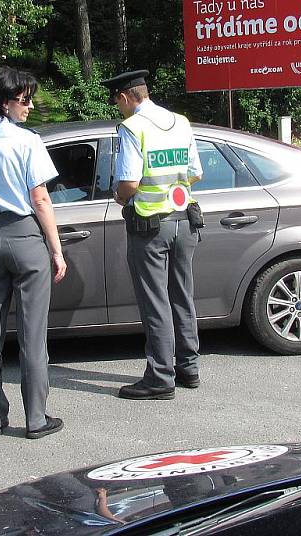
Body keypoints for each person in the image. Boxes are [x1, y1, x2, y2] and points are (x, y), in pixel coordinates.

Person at [0, 66, 68, 438]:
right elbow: (41, 199)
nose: (31, 106)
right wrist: (56, 249)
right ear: (5, 103)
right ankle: (36, 419)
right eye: (24, 100)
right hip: (25, 239)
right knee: (33, 335)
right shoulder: (28, 142)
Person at [101, 69, 203, 400]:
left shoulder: (133, 127)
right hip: (185, 222)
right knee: (182, 296)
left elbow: (129, 183)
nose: (119, 110)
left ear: (124, 98)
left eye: (118, 103)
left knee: (155, 302)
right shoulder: (181, 122)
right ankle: (188, 368)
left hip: (149, 226)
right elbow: (195, 174)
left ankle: (160, 377)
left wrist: (119, 196)